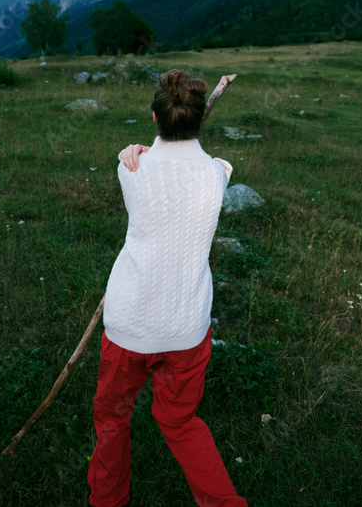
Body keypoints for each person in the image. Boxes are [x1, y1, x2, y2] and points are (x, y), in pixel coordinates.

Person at [87, 69, 247, 507]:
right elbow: (218, 163)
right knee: (179, 422)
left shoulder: (130, 170)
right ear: (199, 121)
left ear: (154, 118)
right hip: (187, 329)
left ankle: (106, 502)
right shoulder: (217, 175)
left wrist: (131, 149)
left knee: (113, 419)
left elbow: (135, 158)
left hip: (128, 326)